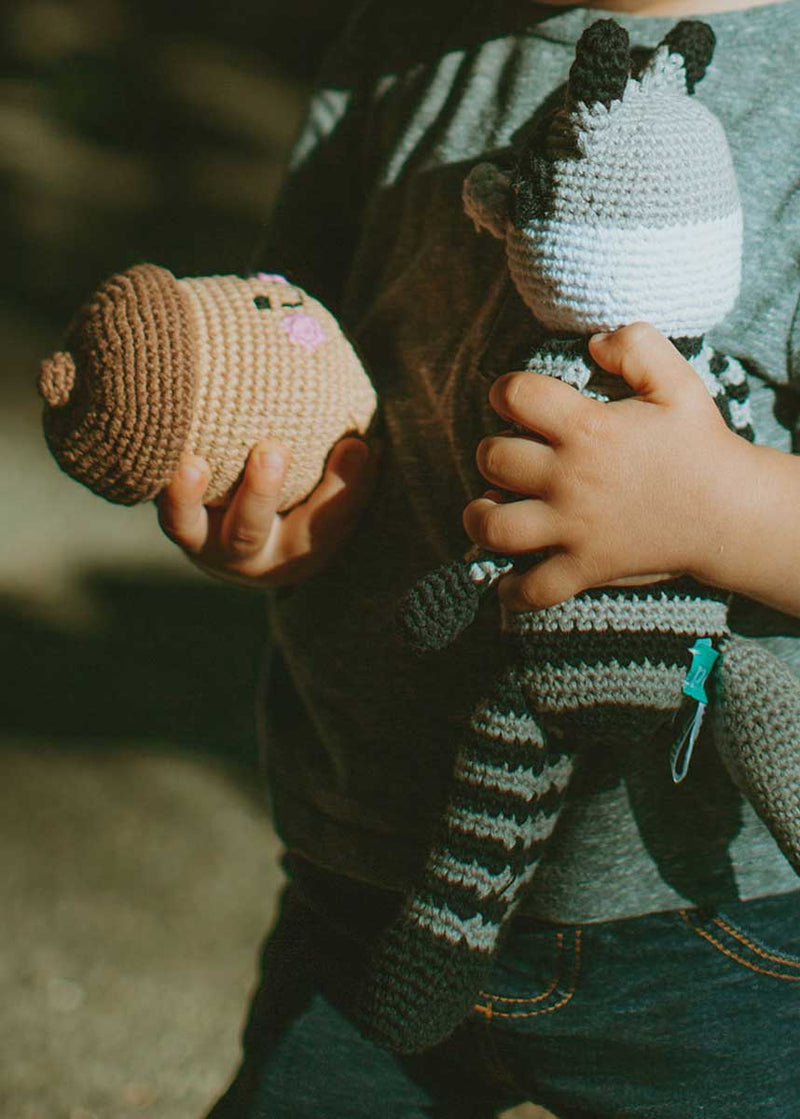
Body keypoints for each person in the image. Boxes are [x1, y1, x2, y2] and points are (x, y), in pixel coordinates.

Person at [157, 1, 800, 1115]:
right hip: (369, 873)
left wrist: (724, 510)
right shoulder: (397, 40)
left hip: (704, 925)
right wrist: (271, 519)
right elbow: (298, 351)